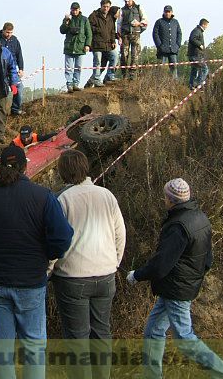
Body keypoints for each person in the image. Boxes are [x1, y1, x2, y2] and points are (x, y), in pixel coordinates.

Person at [0, 145, 73, 379]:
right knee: (34, 347)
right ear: (26, 167)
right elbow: (63, 236)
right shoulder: (43, 196)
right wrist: (47, 253)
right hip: (30, 281)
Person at [126, 178, 223, 379]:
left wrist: (136, 275)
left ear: (172, 200)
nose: (164, 200)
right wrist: (192, 278)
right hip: (181, 285)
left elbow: (161, 264)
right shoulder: (200, 218)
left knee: (185, 340)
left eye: (166, 197)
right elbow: (208, 259)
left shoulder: (177, 226)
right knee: (153, 331)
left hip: (176, 289)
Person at [52, 149, 126, 379]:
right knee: (102, 332)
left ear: (63, 172)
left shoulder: (63, 199)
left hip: (73, 277)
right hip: (105, 274)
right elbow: (119, 234)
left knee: (77, 339)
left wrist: (48, 268)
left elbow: (57, 240)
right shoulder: (107, 195)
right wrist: (114, 262)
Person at [60, 2, 92, 93]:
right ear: (71, 9)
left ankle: (76, 84)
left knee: (78, 67)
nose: (74, 11)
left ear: (79, 9)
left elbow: (88, 34)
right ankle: (69, 84)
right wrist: (66, 21)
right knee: (68, 67)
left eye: (76, 9)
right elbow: (62, 30)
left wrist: (87, 45)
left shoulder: (84, 20)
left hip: (80, 47)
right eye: (73, 9)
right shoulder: (67, 19)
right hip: (69, 47)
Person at [86, 0, 118, 87]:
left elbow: (112, 30)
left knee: (114, 57)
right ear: (101, 6)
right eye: (104, 6)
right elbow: (88, 27)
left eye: (108, 7)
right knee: (98, 62)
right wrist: (99, 30)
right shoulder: (94, 15)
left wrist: (113, 41)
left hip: (108, 44)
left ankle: (109, 76)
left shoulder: (110, 17)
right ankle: (96, 79)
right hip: (97, 44)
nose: (106, 8)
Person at [117, 0, 148, 79]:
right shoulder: (122, 10)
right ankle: (124, 75)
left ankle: (133, 75)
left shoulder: (139, 8)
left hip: (136, 34)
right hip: (125, 35)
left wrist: (139, 24)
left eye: (128, 1)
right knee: (124, 55)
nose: (127, 3)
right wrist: (119, 37)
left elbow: (145, 21)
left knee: (135, 55)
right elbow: (119, 24)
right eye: (125, 1)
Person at [0, 22, 26, 116]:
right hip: (1, 71)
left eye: (11, 33)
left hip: (13, 70)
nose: (9, 35)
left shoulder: (15, 40)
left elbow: (19, 55)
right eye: (7, 32)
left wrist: (21, 68)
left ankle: (15, 108)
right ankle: (1, 112)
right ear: (3, 30)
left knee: (19, 87)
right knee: (3, 91)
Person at [152, 5, 183, 79]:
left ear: (171, 12)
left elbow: (179, 33)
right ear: (164, 12)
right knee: (160, 69)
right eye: (166, 12)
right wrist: (159, 45)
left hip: (173, 50)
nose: (167, 13)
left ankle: (174, 84)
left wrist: (178, 45)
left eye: (169, 12)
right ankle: (158, 84)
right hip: (162, 50)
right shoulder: (159, 22)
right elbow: (155, 34)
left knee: (174, 68)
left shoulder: (175, 22)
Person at [188, 19, 209, 89]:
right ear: (203, 25)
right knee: (205, 69)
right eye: (206, 26)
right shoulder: (197, 31)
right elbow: (192, 39)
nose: (206, 27)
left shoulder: (198, 31)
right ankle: (199, 84)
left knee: (194, 69)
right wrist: (200, 45)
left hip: (193, 54)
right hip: (196, 55)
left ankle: (191, 85)